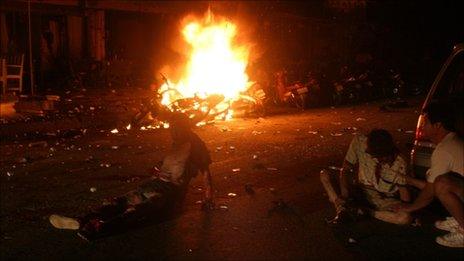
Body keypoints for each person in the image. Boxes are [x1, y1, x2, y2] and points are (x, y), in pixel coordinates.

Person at [49, 113, 213, 241]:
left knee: (137, 210)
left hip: (169, 193)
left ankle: (100, 227)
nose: (172, 131)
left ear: (185, 127)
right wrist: (157, 168)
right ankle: (82, 220)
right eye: (172, 128)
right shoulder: (178, 141)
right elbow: (171, 164)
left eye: (175, 128)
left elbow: (205, 171)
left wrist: (208, 198)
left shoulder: (196, 145)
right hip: (155, 185)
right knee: (120, 201)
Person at [393, 102, 463, 248]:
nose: (422, 127)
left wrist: (409, 208)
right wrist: (408, 180)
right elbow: (432, 187)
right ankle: (459, 218)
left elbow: (431, 191)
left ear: (437, 125)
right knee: (441, 183)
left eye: (425, 123)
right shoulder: (452, 140)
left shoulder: (444, 150)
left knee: (442, 184)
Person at [320, 129, 412, 225]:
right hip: (360, 190)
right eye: (375, 156)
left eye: (382, 157)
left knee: (404, 217)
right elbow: (346, 169)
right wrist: (345, 194)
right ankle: (343, 208)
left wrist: (404, 207)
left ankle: (364, 212)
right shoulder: (359, 142)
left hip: (383, 198)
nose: (378, 160)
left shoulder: (400, 163)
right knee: (325, 174)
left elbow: (404, 194)